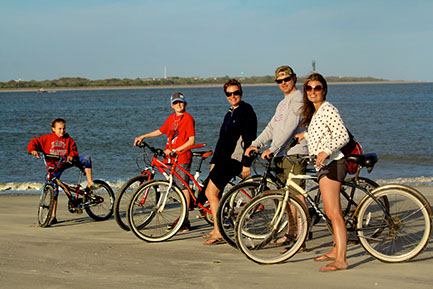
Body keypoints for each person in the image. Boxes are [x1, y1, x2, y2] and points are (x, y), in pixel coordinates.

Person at [245, 65, 308, 245]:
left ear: (294, 79)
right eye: (279, 81)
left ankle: (301, 238)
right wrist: (256, 144)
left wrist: (273, 148)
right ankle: (291, 233)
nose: (283, 83)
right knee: (285, 197)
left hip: (294, 153)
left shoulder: (298, 99)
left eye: (286, 79)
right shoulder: (283, 103)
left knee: (296, 196)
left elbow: (289, 128)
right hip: (281, 154)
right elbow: (272, 128)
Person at [295, 73, 350, 272]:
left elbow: (342, 135)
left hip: (333, 163)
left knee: (334, 213)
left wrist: (326, 151)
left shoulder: (328, 109)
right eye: (309, 89)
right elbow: (322, 134)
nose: (313, 92)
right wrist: (305, 135)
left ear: (324, 90)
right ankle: (336, 251)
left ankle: (341, 259)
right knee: (330, 212)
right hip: (324, 165)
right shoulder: (317, 112)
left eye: (317, 88)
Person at [203, 79, 257, 245]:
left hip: (235, 159)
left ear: (241, 93)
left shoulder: (246, 111)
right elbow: (221, 140)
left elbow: (250, 140)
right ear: (225, 95)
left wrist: (247, 162)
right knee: (212, 193)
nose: (233, 96)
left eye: (236, 93)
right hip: (223, 159)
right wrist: (214, 161)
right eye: (229, 94)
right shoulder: (229, 114)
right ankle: (216, 228)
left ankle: (219, 231)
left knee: (210, 193)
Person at [134, 92, 195, 231]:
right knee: (177, 185)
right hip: (171, 158)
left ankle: (184, 220)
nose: (178, 105)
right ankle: (183, 216)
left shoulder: (188, 119)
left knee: (182, 187)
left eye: (181, 102)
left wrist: (176, 150)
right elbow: (161, 131)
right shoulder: (172, 118)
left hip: (182, 157)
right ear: (172, 106)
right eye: (175, 103)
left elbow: (191, 141)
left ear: (185, 104)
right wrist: (144, 136)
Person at [27, 118, 101, 225]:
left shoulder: (68, 139)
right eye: (59, 129)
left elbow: (74, 149)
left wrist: (71, 155)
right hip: (54, 167)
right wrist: (32, 150)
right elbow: (34, 142)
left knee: (87, 159)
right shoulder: (47, 138)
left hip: (65, 162)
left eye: (64, 128)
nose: (62, 131)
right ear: (53, 129)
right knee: (54, 190)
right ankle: (53, 216)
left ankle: (90, 182)